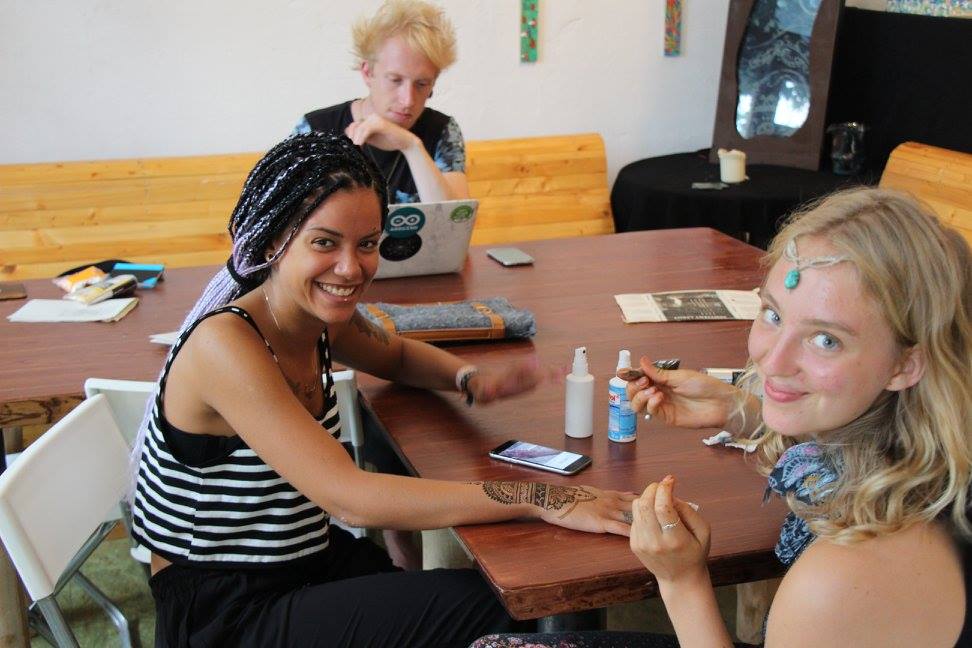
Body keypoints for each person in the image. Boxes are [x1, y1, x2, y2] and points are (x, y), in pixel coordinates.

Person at [128, 132, 635, 648]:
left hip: (301, 559)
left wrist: (469, 379)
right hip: (226, 611)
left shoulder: (313, 317)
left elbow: (395, 355)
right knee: (501, 608)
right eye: (324, 243)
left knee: (507, 589)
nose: (351, 268)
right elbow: (352, 498)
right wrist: (540, 496)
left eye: (367, 244)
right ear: (272, 242)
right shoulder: (226, 344)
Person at [472, 187, 972, 647]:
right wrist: (741, 411)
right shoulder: (933, 453)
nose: (772, 360)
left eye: (826, 339)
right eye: (773, 314)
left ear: (907, 364)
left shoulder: (844, 578)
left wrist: (682, 581)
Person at [294, 0, 467, 204]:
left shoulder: (442, 130)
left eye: (422, 84)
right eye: (395, 80)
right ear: (368, 72)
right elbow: (286, 215)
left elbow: (455, 220)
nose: (408, 100)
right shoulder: (315, 129)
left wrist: (411, 146)